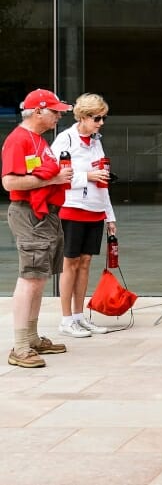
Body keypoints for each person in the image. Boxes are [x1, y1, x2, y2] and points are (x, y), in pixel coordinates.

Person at [2, 89, 73, 368]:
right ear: (38, 111)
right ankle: (20, 346)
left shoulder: (38, 140)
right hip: (28, 214)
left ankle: (30, 337)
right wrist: (52, 178)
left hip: (44, 215)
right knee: (30, 276)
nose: (58, 116)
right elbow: (9, 183)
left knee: (40, 276)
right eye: (54, 111)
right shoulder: (18, 140)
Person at [49, 93, 116, 338]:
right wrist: (86, 177)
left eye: (103, 118)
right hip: (73, 207)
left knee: (86, 262)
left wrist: (110, 217)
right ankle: (66, 319)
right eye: (97, 118)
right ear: (83, 117)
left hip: (96, 208)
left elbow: (103, 178)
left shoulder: (96, 141)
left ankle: (79, 316)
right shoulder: (65, 139)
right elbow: (55, 175)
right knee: (71, 263)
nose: (101, 123)